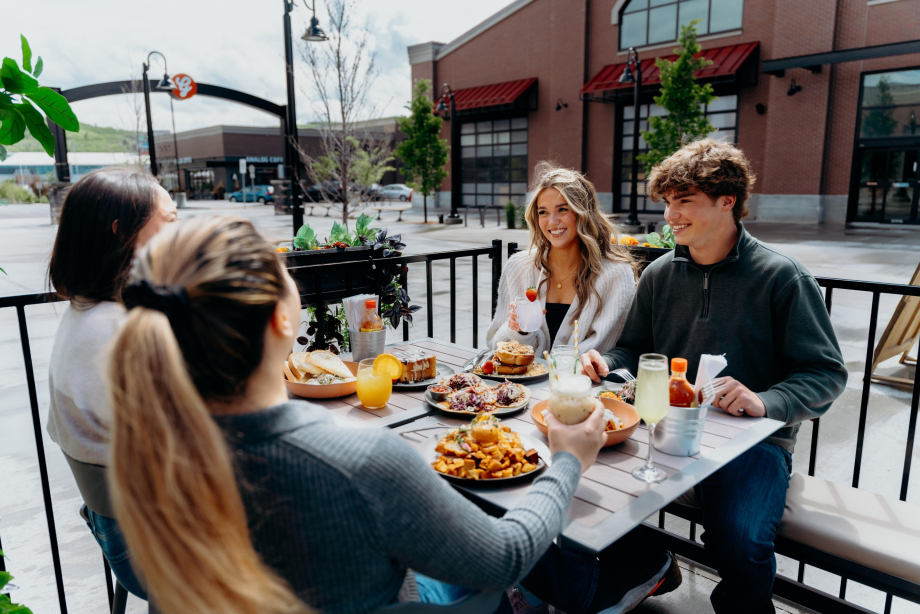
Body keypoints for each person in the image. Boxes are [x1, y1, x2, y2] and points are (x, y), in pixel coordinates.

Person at [106, 215, 678, 614]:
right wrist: (568, 460)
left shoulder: (146, 449)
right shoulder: (356, 462)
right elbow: (502, 559)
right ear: (285, 323)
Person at [580, 139, 848, 613]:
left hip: (753, 443)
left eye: (684, 201)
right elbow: (633, 349)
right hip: (660, 428)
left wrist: (766, 400)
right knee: (583, 494)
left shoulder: (782, 277)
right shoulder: (659, 274)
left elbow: (825, 373)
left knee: (741, 540)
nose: (670, 215)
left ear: (728, 200)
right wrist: (608, 364)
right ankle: (641, 568)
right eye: (667, 202)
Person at [46, 167, 177, 599]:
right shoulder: (117, 333)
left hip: (119, 528)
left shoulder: (88, 315)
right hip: (154, 548)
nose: (181, 231)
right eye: (170, 220)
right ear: (123, 232)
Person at [487, 163, 637, 355]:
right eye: (543, 212)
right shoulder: (518, 267)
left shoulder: (616, 274)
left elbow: (604, 346)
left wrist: (553, 368)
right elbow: (495, 343)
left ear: (583, 213)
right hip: (522, 383)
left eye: (563, 209)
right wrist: (520, 331)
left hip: (584, 383)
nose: (552, 221)